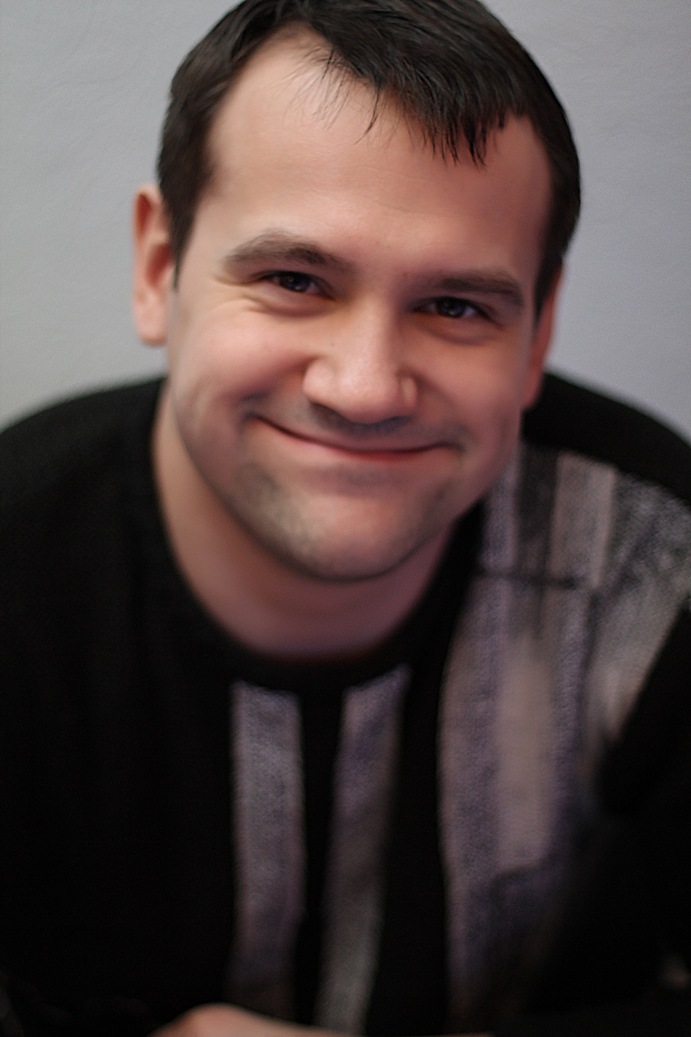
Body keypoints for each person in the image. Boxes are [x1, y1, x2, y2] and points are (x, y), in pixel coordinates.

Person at [1, 0, 690, 1034]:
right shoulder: (16, 563)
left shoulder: (650, 557)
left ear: (539, 331)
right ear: (158, 269)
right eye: (293, 279)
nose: (365, 388)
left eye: (455, 305)